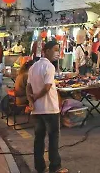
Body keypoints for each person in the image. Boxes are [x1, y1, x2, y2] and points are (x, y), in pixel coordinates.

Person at [27, 40, 68, 173]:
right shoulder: (49, 67)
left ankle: (39, 167)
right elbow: (47, 87)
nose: (57, 53)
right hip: (50, 108)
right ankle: (55, 166)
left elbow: (28, 87)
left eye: (58, 50)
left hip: (37, 110)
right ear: (47, 51)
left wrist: (31, 100)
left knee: (39, 139)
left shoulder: (33, 67)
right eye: (55, 50)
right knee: (53, 138)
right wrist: (35, 97)